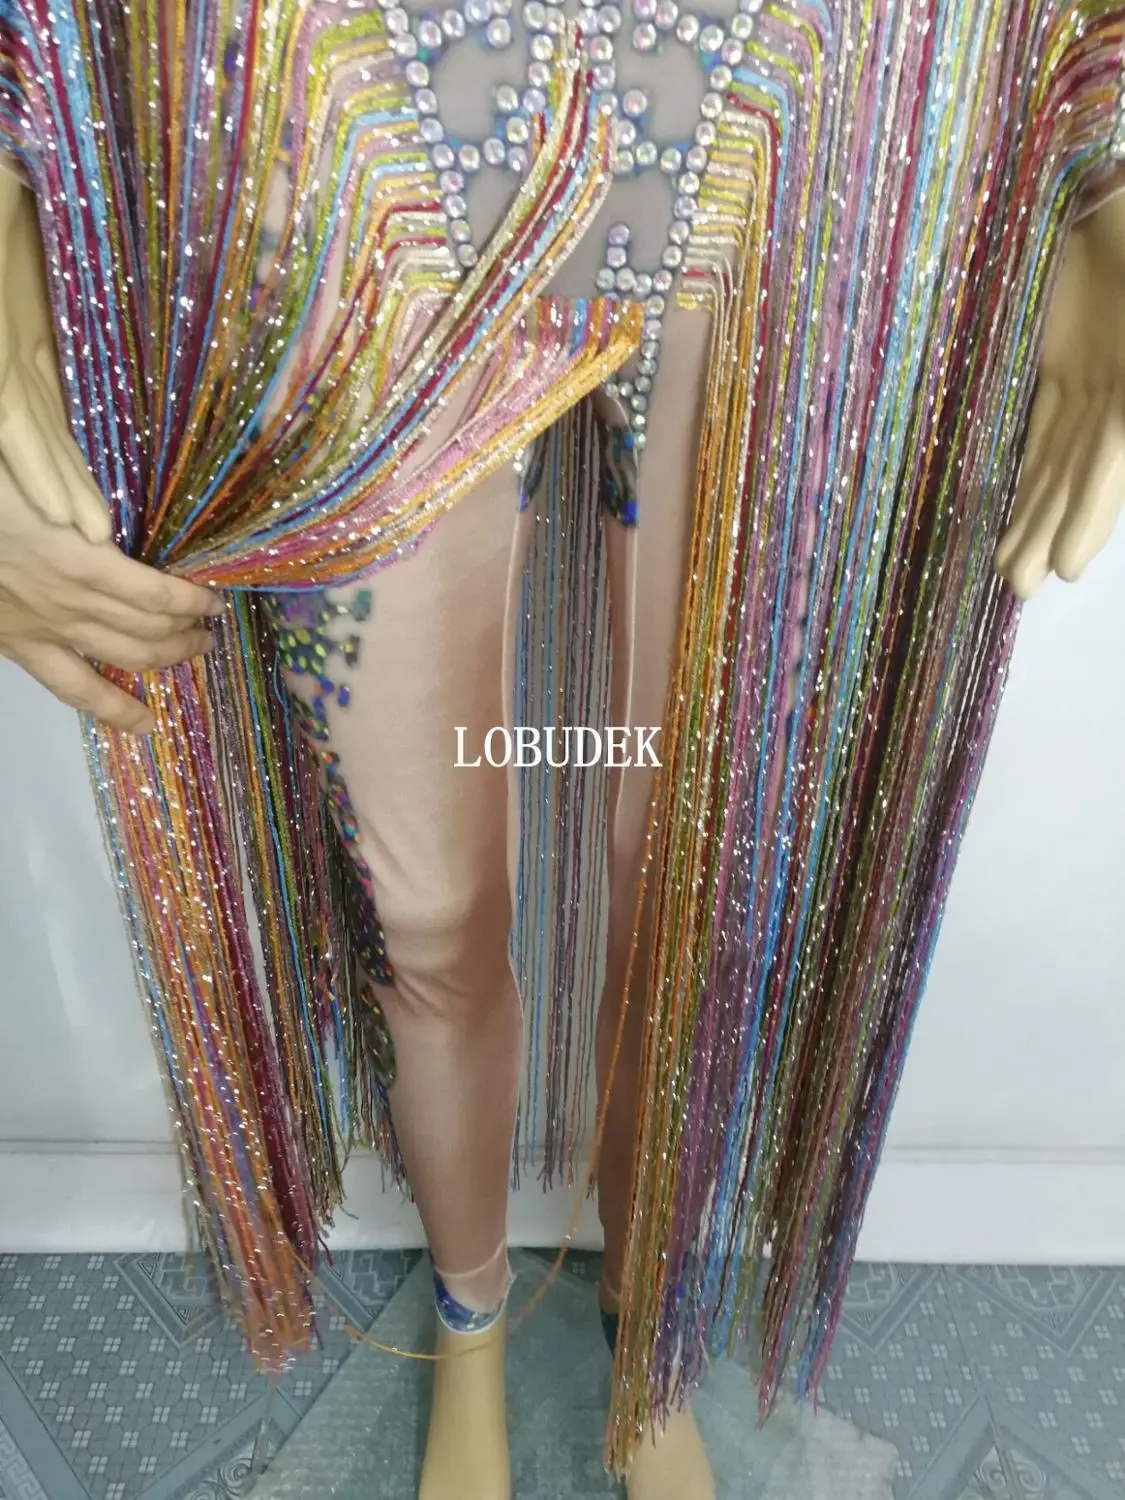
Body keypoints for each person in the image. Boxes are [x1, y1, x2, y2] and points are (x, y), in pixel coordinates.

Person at [3, 6, 1125, 1497]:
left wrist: (1105, 178)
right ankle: (472, 1315)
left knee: (692, 876)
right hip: (341, 120)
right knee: (420, 911)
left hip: (782, 106)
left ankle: (641, 1324)